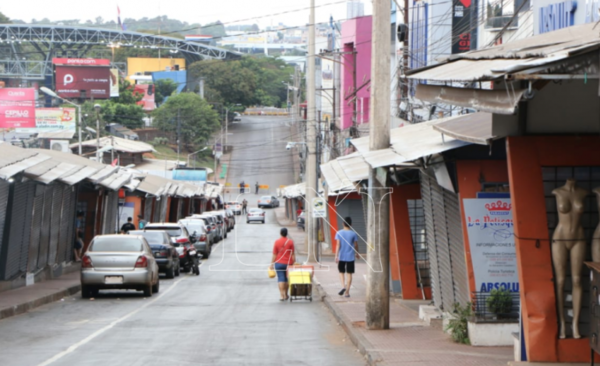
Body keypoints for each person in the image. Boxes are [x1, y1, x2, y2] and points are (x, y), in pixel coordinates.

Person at [335, 217, 359, 298]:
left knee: (341, 272)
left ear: (343, 223)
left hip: (341, 257)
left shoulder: (339, 233)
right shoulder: (353, 234)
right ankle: (347, 292)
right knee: (349, 274)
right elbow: (355, 245)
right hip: (351, 257)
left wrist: (336, 255)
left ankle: (343, 286)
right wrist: (357, 253)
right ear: (351, 225)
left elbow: (338, 245)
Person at [269, 228, 295, 301]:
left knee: (281, 278)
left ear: (280, 233)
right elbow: (292, 254)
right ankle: (286, 294)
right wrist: (294, 262)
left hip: (279, 263)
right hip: (288, 263)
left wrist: (272, 264)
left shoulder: (277, 242)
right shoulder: (290, 242)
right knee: (286, 279)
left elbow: (274, 254)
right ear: (287, 233)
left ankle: (281, 295)